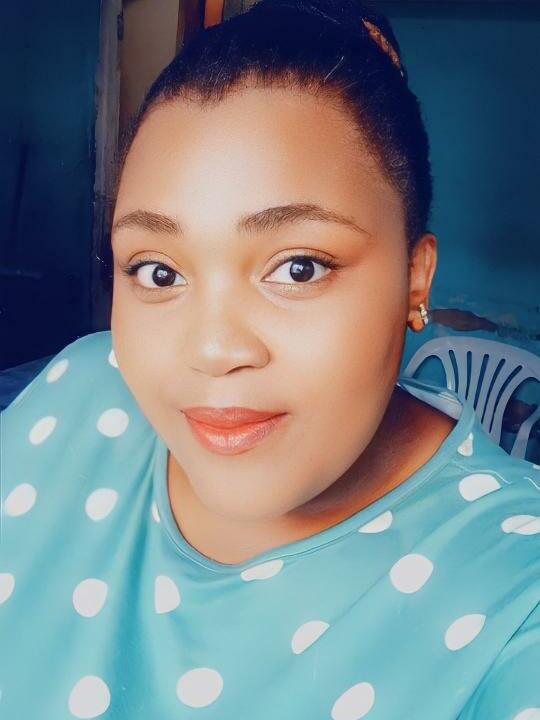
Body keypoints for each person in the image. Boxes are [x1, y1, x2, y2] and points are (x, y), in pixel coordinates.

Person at [1, 1, 539, 718]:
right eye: (159, 272)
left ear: (415, 279)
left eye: (299, 267)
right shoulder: (80, 387)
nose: (212, 350)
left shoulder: (514, 592)